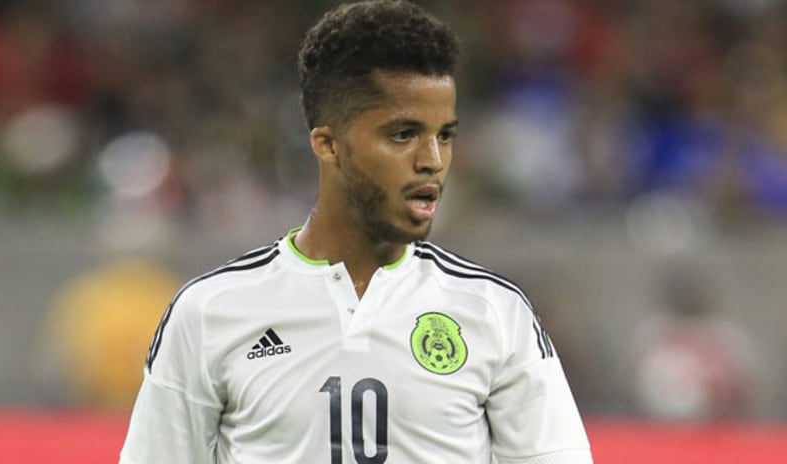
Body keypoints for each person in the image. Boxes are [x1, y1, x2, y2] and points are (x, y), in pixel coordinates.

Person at [120, 1, 592, 463]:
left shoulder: (495, 313)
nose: (433, 159)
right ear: (328, 146)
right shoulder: (210, 313)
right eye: (403, 134)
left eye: (444, 134)